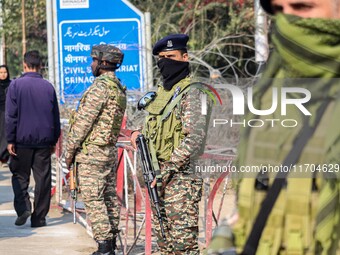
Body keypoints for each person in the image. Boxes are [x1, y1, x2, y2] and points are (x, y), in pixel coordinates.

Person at [208, 0, 340, 254]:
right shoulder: (271, 91)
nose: (286, 22)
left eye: (302, 8)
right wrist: (224, 239)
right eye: (278, 11)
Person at [130, 34, 213, 255]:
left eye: (172, 56)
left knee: (182, 246)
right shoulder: (161, 93)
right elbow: (153, 126)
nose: (166, 61)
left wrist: (165, 171)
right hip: (158, 177)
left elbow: (194, 139)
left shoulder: (194, 92)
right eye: (162, 57)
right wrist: (138, 133)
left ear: (185, 57)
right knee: (165, 244)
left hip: (181, 180)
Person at [65, 44, 127, 255]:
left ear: (102, 63)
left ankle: (104, 246)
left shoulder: (100, 88)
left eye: (93, 60)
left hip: (92, 154)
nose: (91, 64)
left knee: (94, 199)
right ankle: (110, 243)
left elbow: (82, 124)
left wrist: (69, 153)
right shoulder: (118, 87)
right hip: (107, 152)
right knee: (108, 198)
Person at [5, 50, 61, 227]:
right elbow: (55, 117)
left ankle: (23, 208)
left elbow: (11, 116)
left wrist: (10, 139)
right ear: (40, 66)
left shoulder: (15, 86)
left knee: (20, 176)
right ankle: (39, 217)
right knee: (43, 179)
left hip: (21, 140)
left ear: (24, 65)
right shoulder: (48, 87)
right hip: (44, 141)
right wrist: (53, 140)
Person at [0, 65, 11, 165]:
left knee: (7, 134)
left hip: (9, 112)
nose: (3, 75)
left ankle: (6, 156)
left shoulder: (12, 85)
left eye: (5, 72)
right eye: (1, 72)